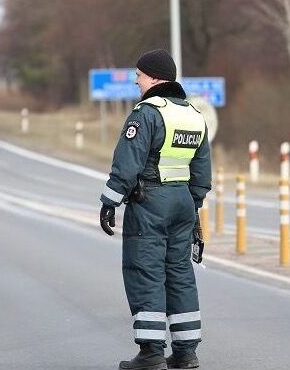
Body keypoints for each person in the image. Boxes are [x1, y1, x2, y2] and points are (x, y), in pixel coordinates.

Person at [99, 49, 211, 370]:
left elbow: (127, 163)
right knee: (179, 273)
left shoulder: (146, 113)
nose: (136, 80)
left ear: (154, 77)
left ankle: (151, 354)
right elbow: (202, 172)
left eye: (139, 75)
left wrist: (110, 200)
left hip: (150, 204)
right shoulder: (192, 114)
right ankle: (186, 353)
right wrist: (194, 207)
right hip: (183, 205)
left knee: (145, 271)